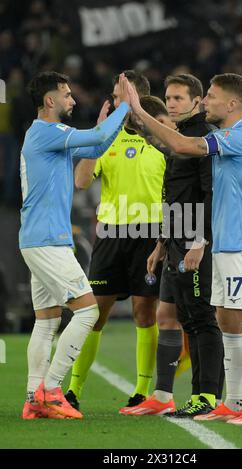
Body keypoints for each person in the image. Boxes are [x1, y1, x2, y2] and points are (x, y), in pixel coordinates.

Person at [125, 72, 242, 425]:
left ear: (233, 103)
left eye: (210, 95)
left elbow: (182, 146)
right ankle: (235, 402)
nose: (205, 100)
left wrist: (140, 111)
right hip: (222, 245)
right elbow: (176, 148)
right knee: (227, 321)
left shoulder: (240, 137)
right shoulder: (225, 137)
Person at [20, 71, 130, 420]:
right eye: (66, 95)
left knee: (47, 320)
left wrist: (105, 124)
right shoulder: (49, 132)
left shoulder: (44, 136)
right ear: (49, 101)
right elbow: (98, 138)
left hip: (39, 239)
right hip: (47, 241)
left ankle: (32, 397)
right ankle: (51, 390)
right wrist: (126, 107)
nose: (73, 100)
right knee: (88, 311)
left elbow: (97, 145)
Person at [65, 71, 166, 413]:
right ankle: (73, 389)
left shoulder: (163, 140)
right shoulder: (107, 139)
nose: (117, 101)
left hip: (150, 234)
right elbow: (81, 181)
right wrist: (97, 140)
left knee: (144, 312)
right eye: (115, 95)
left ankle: (141, 391)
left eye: (123, 96)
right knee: (94, 315)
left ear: (140, 99)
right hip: (111, 233)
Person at [123, 74, 224, 418]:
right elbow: (175, 197)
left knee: (201, 317)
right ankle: (194, 395)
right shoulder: (181, 137)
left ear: (196, 101)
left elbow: (208, 194)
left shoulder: (200, 139)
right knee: (187, 316)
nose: (171, 104)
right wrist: (162, 243)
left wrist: (199, 241)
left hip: (195, 237)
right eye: (168, 98)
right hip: (178, 236)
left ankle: (208, 395)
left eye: (179, 98)